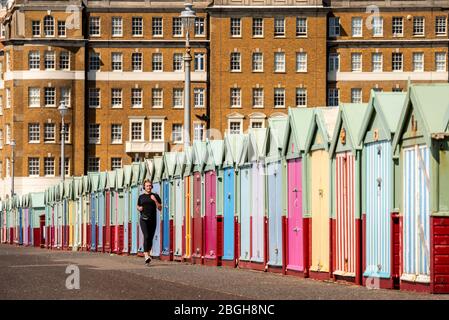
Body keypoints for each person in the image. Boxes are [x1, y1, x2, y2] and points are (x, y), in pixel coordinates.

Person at [137, 179, 162, 264]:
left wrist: (155, 200)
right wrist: (139, 208)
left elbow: (160, 208)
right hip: (143, 219)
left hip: (153, 220)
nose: (149, 187)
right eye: (147, 186)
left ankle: (147, 255)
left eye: (150, 185)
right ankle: (146, 255)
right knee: (146, 236)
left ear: (152, 186)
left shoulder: (155, 195)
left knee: (150, 238)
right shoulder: (141, 197)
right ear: (144, 187)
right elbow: (138, 206)